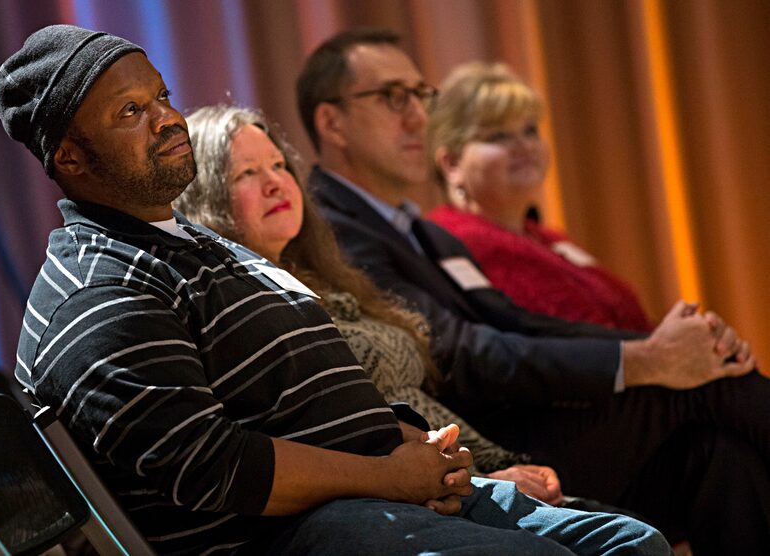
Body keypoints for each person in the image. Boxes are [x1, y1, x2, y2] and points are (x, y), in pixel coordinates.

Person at [0, 24, 670, 556]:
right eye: (131, 111)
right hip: (301, 533)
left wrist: (414, 444)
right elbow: (213, 467)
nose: (167, 119)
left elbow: (300, 396)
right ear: (71, 158)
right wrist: (389, 475)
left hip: (382, 494)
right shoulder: (100, 288)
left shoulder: (192, 242)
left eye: (163, 96)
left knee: (635, 542)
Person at [297, 27, 770, 552]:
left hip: (532, 420)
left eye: (420, 95)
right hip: (478, 446)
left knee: (717, 453)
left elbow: (521, 321)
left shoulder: (421, 229)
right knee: (708, 389)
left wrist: (652, 349)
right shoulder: (329, 226)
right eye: (391, 97)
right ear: (331, 121)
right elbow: (454, 351)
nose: (417, 116)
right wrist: (644, 361)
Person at [174, 103, 598, 507]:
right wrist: (486, 481)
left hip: (480, 468)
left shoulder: (333, 281)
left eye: (279, 165)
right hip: (426, 494)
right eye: (247, 173)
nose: (275, 183)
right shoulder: (249, 310)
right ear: (205, 197)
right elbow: (339, 442)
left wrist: (503, 467)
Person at [428, 61, 650, 332]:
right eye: (498, 136)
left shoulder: (549, 238)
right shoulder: (452, 241)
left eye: (530, 130)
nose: (524, 145)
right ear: (452, 163)